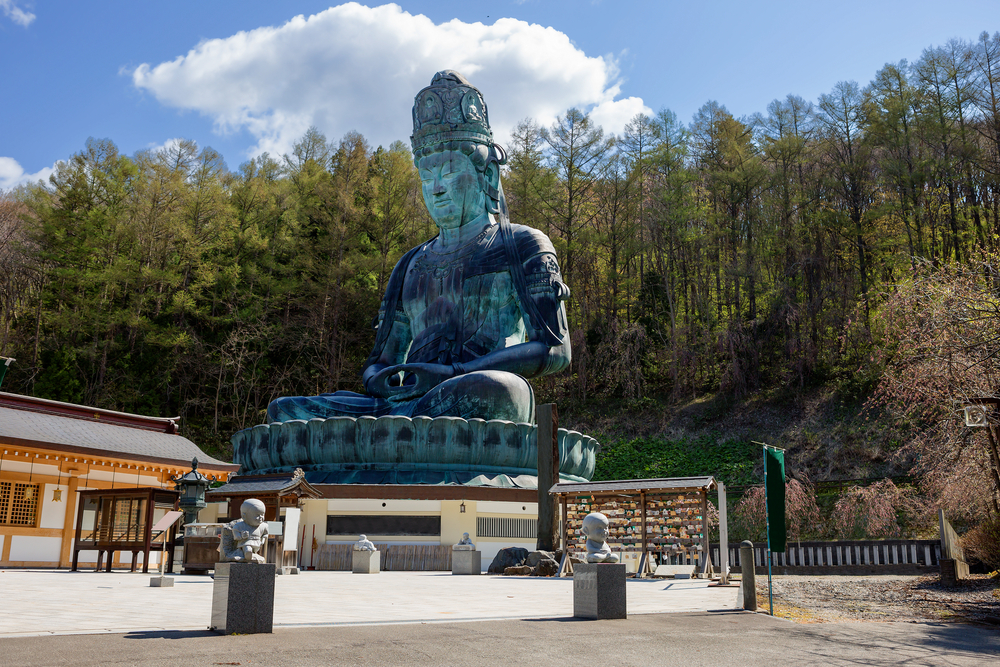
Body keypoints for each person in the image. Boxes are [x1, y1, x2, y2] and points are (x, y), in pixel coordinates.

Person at [267, 70, 570, 425]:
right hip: (405, 403)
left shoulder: (521, 244)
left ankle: (401, 432)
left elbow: (555, 349)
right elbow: (380, 362)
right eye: (427, 176)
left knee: (499, 390)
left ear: (487, 176)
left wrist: (457, 371)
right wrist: (379, 380)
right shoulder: (411, 263)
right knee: (285, 410)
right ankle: (396, 431)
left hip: (472, 394)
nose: (436, 188)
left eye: (449, 172)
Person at [219, 499, 268, 563]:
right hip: (246, 542)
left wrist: (263, 540)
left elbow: (265, 534)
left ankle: (252, 554)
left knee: (254, 550)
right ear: (244, 516)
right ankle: (247, 554)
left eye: (262, 514)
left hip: (257, 543)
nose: (260, 517)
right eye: (257, 515)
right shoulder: (240, 525)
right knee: (247, 548)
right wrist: (241, 536)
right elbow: (235, 532)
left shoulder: (263, 526)